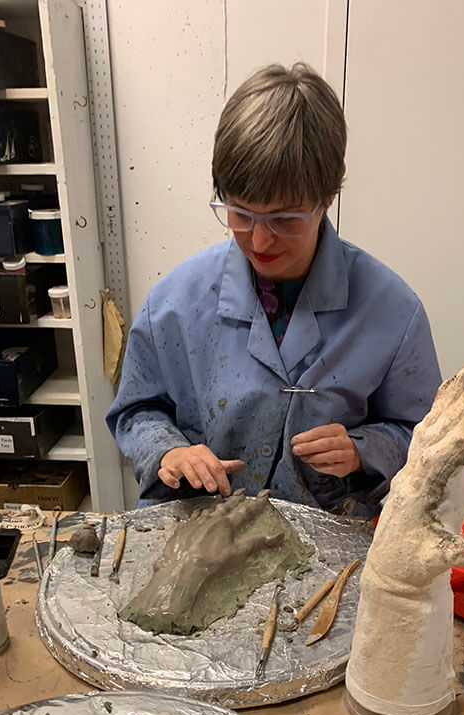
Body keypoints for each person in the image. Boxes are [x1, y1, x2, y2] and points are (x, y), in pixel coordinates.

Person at [107, 63, 441, 517]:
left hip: (331, 536)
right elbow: (136, 411)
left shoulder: (392, 312)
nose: (260, 242)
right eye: (241, 214)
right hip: (203, 526)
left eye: (285, 220)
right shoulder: (173, 305)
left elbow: (425, 436)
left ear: (330, 190)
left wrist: (366, 449)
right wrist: (168, 453)